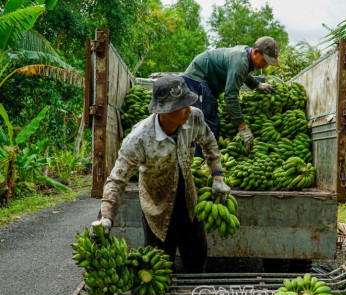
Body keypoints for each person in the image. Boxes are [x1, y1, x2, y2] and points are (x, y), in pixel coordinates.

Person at [91, 75, 230, 273]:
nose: (188, 109)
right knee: (159, 270)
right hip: (157, 210)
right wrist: (106, 216)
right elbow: (117, 179)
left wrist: (217, 175)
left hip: (190, 204)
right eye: (181, 106)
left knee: (197, 263)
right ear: (164, 111)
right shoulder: (139, 138)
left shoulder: (194, 118)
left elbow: (209, 143)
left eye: (188, 103)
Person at [182, 36, 280, 154]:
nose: (265, 66)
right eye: (265, 61)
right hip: (197, 79)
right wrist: (242, 127)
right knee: (207, 125)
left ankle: (204, 159)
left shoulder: (245, 56)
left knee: (210, 123)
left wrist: (258, 85)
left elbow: (242, 74)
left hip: (205, 82)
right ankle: (200, 162)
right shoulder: (240, 60)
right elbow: (230, 96)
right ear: (256, 52)